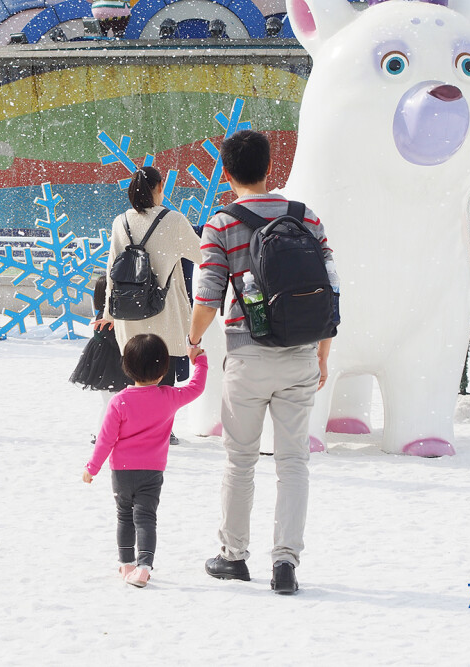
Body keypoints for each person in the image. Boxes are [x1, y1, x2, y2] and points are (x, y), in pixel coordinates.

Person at [187, 129, 339, 595]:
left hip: (248, 354)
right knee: (293, 462)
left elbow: (209, 296)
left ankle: (234, 557)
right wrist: (322, 352)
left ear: (227, 173)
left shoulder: (221, 224)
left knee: (240, 462)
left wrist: (191, 341)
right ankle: (286, 562)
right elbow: (331, 288)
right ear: (271, 168)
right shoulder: (305, 217)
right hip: (299, 354)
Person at [83, 333, 208, 588]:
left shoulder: (120, 401)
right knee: (146, 518)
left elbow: (105, 440)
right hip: (152, 470)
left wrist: (92, 468)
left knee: (124, 517)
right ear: (163, 369)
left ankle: (126, 562)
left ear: (127, 368)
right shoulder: (168, 396)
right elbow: (196, 387)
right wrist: (200, 361)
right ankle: (143, 567)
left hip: (122, 471)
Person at [100, 166, 202, 444]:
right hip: (163, 310)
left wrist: (109, 311)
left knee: (136, 373)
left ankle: (135, 427)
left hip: (129, 309)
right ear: (159, 188)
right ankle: (161, 430)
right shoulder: (174, 220)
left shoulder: (120, 221)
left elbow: (112, 268)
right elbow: (202, 254)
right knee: (163, 372)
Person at [70, 275, 132, 441]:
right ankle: (102, 434)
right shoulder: (107, 317)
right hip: (109, 365)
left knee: (110, 402)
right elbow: (115, 340)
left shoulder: (104, 315)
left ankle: (104, 433)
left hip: (103, 363)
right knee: (111, 402)